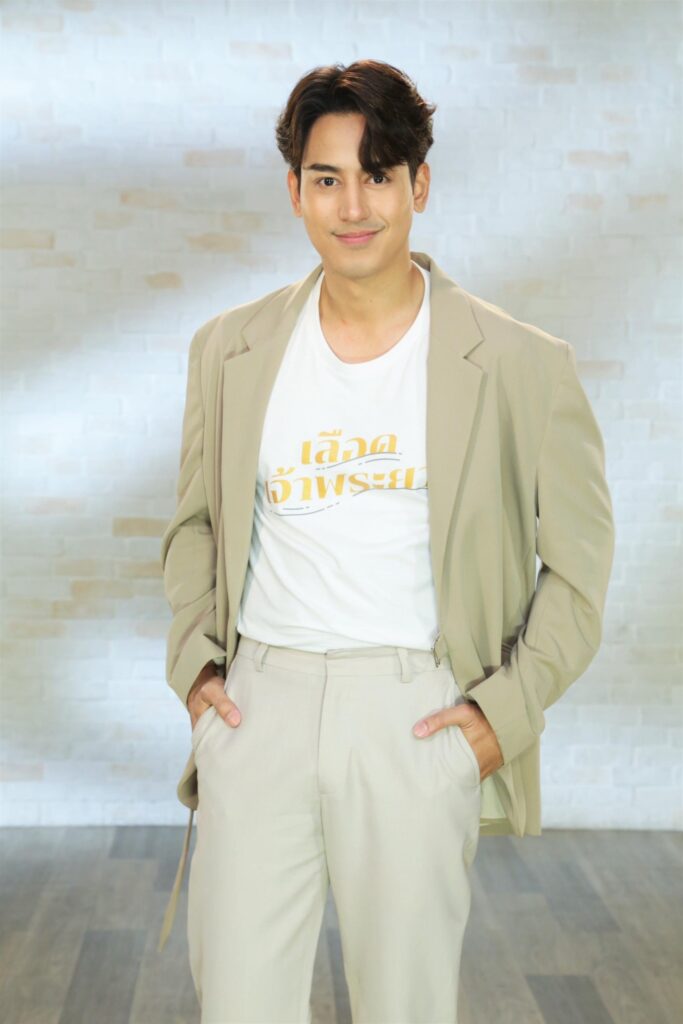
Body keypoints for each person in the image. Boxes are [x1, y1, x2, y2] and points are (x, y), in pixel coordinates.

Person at [157, 59, 615, 1024]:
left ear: (420, 185)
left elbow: (578, 572)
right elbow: (194, 525)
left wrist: (501, 714)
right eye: (327, 178)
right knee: (237, 1005)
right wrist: (198, 671)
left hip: (416, 714)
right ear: (294, 191)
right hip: (258, 708)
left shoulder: (521, 364)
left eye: (378, 175)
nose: (353, 205)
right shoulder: (228, 349)